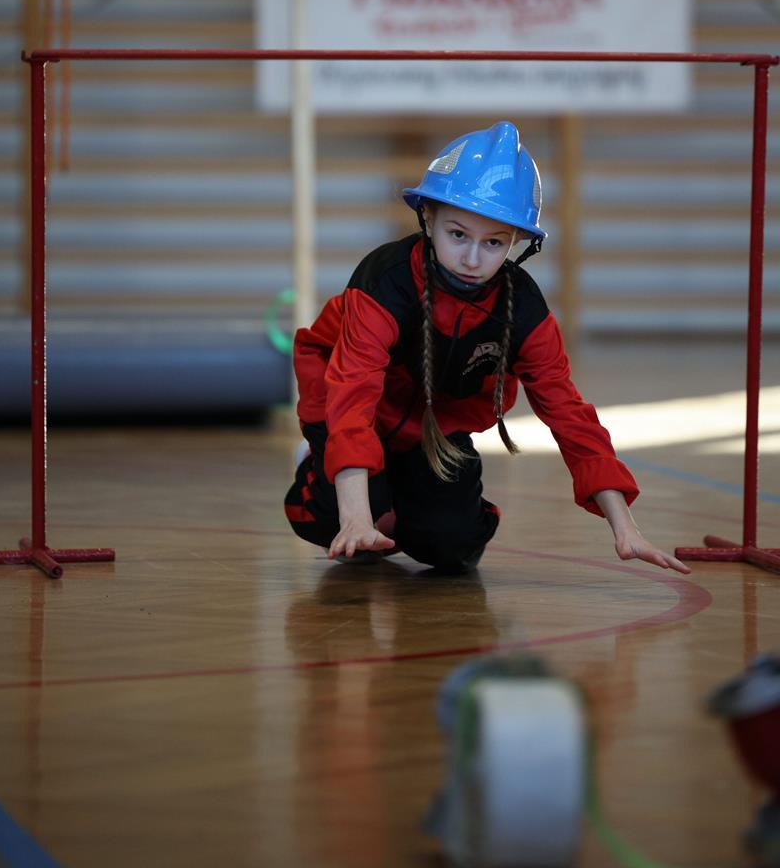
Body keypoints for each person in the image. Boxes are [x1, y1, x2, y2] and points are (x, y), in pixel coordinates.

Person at [284, 121, 690, 577]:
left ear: (516, 242)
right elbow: (353, 391)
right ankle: (326, 469)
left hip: (434, 428)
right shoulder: (384, 282)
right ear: (428, 219)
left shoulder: (524, 310)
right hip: (345, 404)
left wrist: (625, 527)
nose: (473, 259)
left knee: (449, 544)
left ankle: (408, 506)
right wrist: (357, 517)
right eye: (458, 235)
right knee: (336, 518)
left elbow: (569, 415)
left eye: (493, 242)